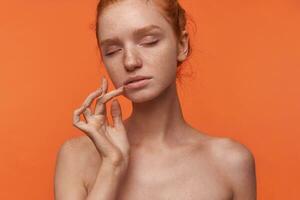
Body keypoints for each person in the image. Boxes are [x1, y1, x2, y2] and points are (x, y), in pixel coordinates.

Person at [54, 0, 257, 199]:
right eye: (113, 51)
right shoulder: (77, 157)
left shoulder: (231, 163)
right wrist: (112, 166)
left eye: (149, 41)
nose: (130, 61)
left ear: (181, 45)